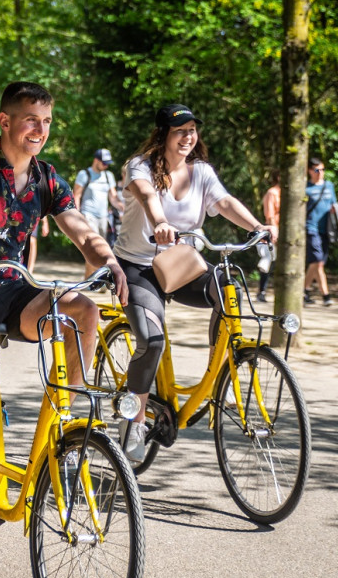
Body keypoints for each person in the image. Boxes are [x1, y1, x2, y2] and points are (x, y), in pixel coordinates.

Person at [0, 81, 128, 572]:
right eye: (31, 119)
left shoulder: (47, 178)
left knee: (83, 310)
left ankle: (68, 427)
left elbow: (82, 229)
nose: (40, 129)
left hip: (15, 289)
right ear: (5, 121)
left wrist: (110, 262)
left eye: (47, 121)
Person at [113, 104, 276, 461]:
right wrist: (159, 222)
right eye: (179, 131)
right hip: (139, 267)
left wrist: (257, 228)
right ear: (163, 135)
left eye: (192, 130)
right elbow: (146, 195)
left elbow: (225, 202)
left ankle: (224, 364)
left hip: (182, 264)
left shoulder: (201, 171)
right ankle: (134, 420)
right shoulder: (139, 165)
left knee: (227, 285)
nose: (188, 137)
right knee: (152, 341)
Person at [74, 148, 124, 274]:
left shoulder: (109, 176)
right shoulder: (84, 174)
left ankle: (90, 278)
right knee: (94, 247)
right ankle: (94, 281)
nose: (106, 165)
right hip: (88, 215)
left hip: (104, 217)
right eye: (104, 163)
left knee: (102, 249)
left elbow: (113, 197)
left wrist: (124, 208)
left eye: (108, 163)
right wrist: (77, 215)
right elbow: (77, 196)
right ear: (96, 160)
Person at [303, 157, 336, 306]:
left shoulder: (329, 186)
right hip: (311, 228)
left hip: (326, 230)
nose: (320, 173)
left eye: (322, 169)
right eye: (317, 170)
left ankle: (304, 290)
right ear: (310, 171)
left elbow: (333, 205)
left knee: (318, 263)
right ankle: (326, 295)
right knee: (317, 261)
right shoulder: (305, 188)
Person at [256, 169, 281, 302]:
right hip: (274, 232)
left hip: (284, 233)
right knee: (268, 261)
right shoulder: (272, 193)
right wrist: (274, 233)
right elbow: (270, 215)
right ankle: (262, 291)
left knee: (272, 262)